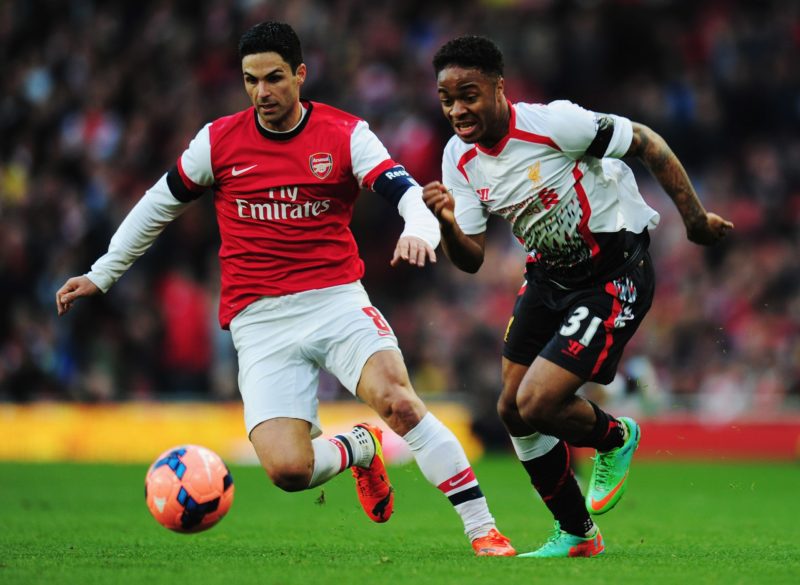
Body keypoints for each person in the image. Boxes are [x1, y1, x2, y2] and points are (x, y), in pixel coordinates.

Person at [55, 22, 515, 557]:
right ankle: (359, 447)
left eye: (274, 78)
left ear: (300, 74)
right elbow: (159, 205)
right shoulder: (219, 141)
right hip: (260, 319)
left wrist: (417, 228)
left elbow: (406, 192)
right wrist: (102, 272)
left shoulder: (345, 134)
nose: (262, 92)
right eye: (251, 80)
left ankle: (483, 529)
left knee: (401, 403)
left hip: (336, 299)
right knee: (289, 470)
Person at [423, 35, 733, 558]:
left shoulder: (555, 125)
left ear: (499, 87)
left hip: (613, 275)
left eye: (469, 94)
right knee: (512, 409)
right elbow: (471, 257)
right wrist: (448, 225)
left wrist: (696, 220)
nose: (457, 109)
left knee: (539, 402)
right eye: (446, 99)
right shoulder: (459, 159)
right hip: (548, 278)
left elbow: (647, 142)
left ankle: (614, 436)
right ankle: (577, 533)